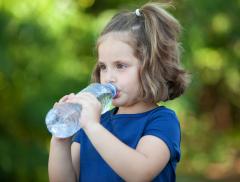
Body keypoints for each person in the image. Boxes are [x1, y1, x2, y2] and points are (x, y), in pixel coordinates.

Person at [48, 2, 189, 182]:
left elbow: (140, 173)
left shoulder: (162, 121)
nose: (108, 77)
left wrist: (93, 127)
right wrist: (60, 140)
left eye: (120, 66)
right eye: (103, 67)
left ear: (151, 68)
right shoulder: (94, 123)